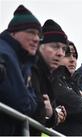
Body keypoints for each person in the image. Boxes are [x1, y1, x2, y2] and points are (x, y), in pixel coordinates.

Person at [0, 5, 42, 135]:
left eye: (38, 35)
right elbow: (21, 102)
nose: (36, 39)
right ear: (13, 33)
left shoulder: (24, 60)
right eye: (31, 32)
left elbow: (30, 102)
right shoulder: (5, 53)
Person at [30, 19, 68, 135]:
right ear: (40, 46)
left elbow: (45, 114)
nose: (60, 53)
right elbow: (33, 109)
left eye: (63, 49)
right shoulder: (30, 68)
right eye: (55, 46)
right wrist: (47, 112)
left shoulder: (49, 76)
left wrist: (51, 115)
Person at [50, 41, 82, 136]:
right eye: (67, 55)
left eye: (74, 56)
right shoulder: (54, 80)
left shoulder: (77, 84)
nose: (72, 60)